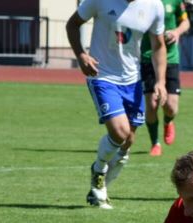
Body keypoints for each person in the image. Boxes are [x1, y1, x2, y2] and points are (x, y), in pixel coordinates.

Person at [66, 0, 168, 209]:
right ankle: (99, 170)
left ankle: (100, 191)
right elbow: (72, 24)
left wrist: (161, 81)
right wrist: (81, 55)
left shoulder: (154, 6)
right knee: (120, 132)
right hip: (102, 76)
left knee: (128, 140)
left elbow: (158, 45)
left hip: (133, 80)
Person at [140, 0, 190, 157]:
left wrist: (176, 32)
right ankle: (155, 143)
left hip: (171, 59)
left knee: (171, 107)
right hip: (148, 57)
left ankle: (168, 121)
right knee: (152, 103)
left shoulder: (175, 1)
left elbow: (186, 22)